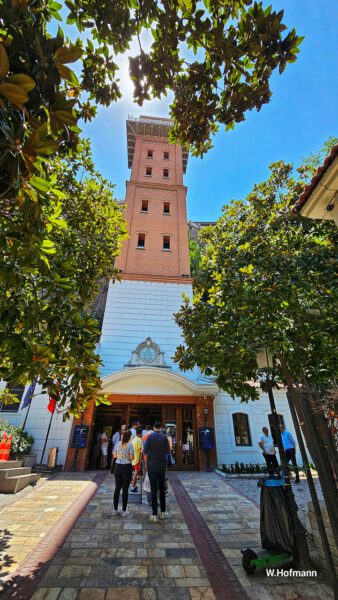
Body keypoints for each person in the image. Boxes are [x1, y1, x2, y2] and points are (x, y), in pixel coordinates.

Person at [143, 421, 170, 523]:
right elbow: (168, 451)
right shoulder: (164, 437)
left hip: (152, 466)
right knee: (162, 489)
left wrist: (146, 464)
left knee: (153, 489)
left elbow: (145, 452)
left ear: (154, 427)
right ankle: (163, 512)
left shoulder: (149, 437)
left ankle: (154, 514)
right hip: (162, 466)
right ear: (160, 427)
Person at [113, 429, 134, 516]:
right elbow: (132, 458)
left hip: (117, 467)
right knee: (125, 489)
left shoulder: (118, 444)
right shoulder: (130, 445)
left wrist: (120, 456)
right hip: (126, 467)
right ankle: (124, 510)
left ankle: (115, 510)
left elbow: (114, 455)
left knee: (117, 488)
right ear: (129, 437)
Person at [131, 427, 143, 492]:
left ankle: (133, 485)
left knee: (134, 473)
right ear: (140, 433)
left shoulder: (134, 439)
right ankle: (133, 486)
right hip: (137, 459)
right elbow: (141, 452)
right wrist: (140, 461)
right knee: (136, 473)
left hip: (133, 458)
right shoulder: (139, 440)